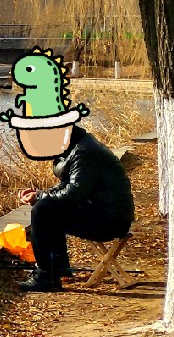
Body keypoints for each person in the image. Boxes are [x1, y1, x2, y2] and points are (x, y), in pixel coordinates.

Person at [16, 124, 134, 292]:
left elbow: (73, 193)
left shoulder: (85, 152)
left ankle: (45, 277)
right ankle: (58, 269)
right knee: (48, 207)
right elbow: (68, 185)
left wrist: (39, 197)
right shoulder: (77, 145)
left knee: (42, 211)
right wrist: (40, 194)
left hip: (111, 221)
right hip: (106, 213)